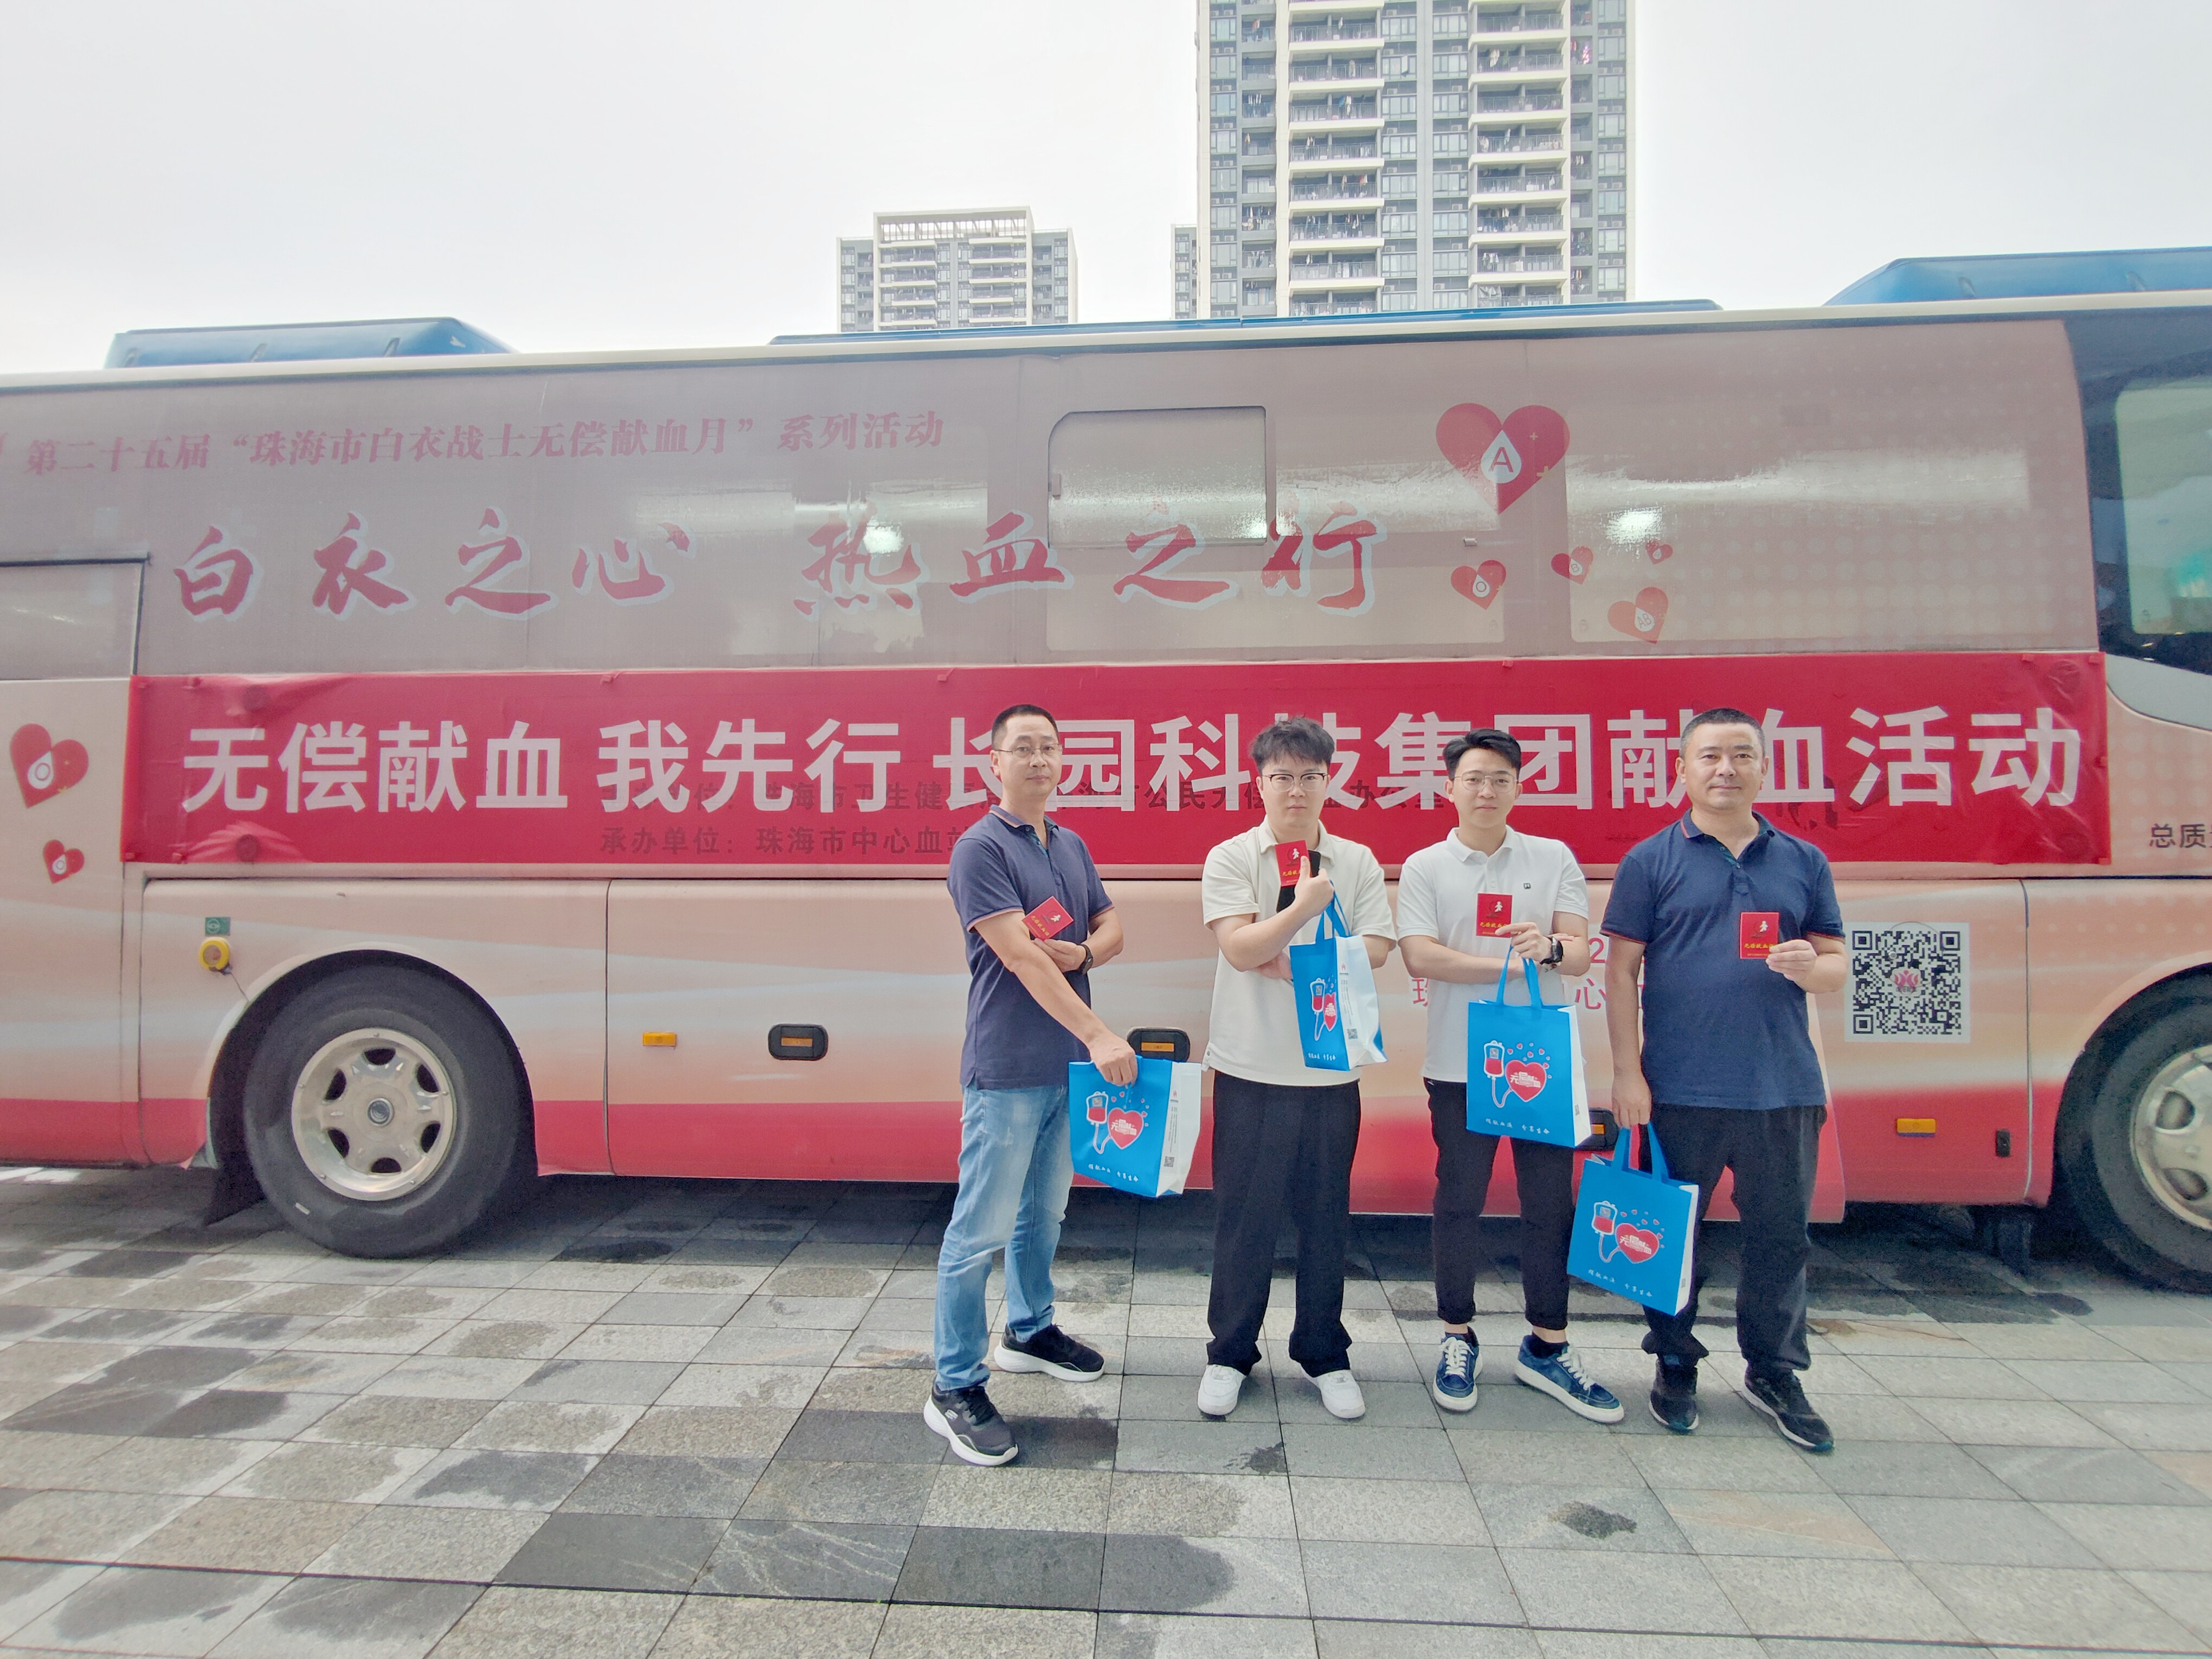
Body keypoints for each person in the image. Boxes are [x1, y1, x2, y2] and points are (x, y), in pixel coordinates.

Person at [1603, 707, 1848, 1453]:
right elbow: (1620, 971)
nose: (1726, 769)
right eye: (1710, 756)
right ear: (1682, 770)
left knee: (1781, 1238)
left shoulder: (1802, 860)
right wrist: (1627, 1073)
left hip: (1783, 1086)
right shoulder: (1651, 860)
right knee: (1670, 1236)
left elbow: (1836, 965)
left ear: (1764, 769)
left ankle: (1775, 1370)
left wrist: (1814, 966)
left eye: (1742, 755)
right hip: (1679, 1087)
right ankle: (1675, 1361)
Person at [928, 703, 1137, 1466]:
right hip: (1008, 1069)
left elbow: (1112, 926)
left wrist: (1086, 954)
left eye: (1049, 747)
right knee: (978, 1230)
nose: (1039, 759)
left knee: (1043, 1214)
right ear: (994, 762)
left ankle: (1029, 1329)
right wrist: (1099, 1031)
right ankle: (954, 1383)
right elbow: (1019, 956)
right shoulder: (979, 848)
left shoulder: (1069, 843)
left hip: (1064, 1070)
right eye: (1024, 748)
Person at [1397, 729, 1622, 1422]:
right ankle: (1456, 1335)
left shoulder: (1552, 858)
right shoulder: (1426, 865)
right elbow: (1420, 957)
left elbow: (1580, 954)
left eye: (1500, 779)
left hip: (1541, 1063)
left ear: (1519, 787)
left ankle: (1548, 1344)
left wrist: (1547, 947)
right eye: (1473, 779)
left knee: (1549, 1202)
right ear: (1450, 788)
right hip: (1459, 1064)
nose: (1486, 791)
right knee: (1458, 1199)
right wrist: (1508, 966)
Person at [1197, 716, 1396, 1422]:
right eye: (1282, 776)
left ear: (1328, 782)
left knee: (1326, 1221)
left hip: (1331, 1074)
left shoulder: (1356, 860)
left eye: (1311, 776)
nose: (1296, 790)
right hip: (1250, 1069)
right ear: (1259, 783)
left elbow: (1379, 948)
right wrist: (1303, 910)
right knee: (1243, 1222)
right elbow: (1239, 948)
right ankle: (1229, 1353)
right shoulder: (1231, 857)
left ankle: (1324, 1352)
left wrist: (1295, 957)